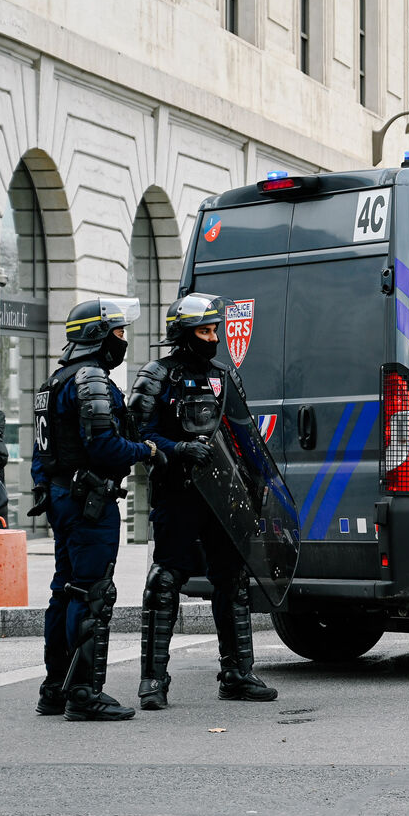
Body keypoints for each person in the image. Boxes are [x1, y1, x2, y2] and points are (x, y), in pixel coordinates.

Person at [129, 293, 277, 709]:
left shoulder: (223, 375)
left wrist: (259, 482)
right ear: (182, 334)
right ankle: (153, 681)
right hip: (177, 493)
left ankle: (237, 675)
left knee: (232, 581)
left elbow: (244, 434)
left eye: (215, 330)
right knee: (165, 581)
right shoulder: (155, 376)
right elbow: (137, 435)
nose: (213, 338)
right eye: (205, 331)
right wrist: (176, 449)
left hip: (222, 494)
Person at [31, 298, 160, 720]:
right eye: (119, 332)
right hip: (89, 502)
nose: (123, 339)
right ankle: (84, 693)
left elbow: (42, 452)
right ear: (97, 335)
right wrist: (146, 449)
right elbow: (105, 446)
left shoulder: (54, 380)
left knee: (64, 590)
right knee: (92, 594)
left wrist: (46, 490)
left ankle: (55, 689)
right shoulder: (90, 378)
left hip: (62, 497)